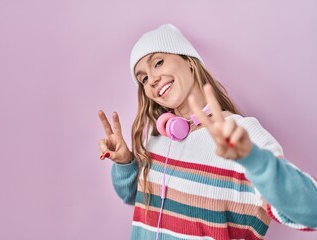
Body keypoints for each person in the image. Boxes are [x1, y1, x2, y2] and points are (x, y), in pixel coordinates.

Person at [98, 24, 317, 240]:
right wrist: (125, 163)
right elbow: (132, 197)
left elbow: (313, 211)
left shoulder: (242, 135)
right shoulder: (157, 139)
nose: (152, 79)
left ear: (189, 62)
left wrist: (253, 160)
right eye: (143, 78)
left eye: (158, 62)